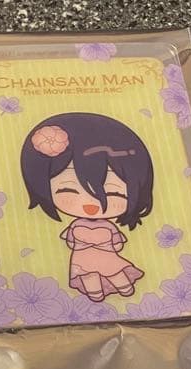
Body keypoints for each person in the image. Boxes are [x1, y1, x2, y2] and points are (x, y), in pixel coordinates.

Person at [21, 112, 154, 303]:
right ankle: (95, 294)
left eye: (114, 193)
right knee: (89, 277)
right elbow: (73, 241)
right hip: (82, 260)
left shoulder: (107, 227)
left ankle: (125, 289)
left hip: (104, 257)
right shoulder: (76, 226)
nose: (90, 204)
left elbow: (113, 243)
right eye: (67, 190)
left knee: (115, 272)